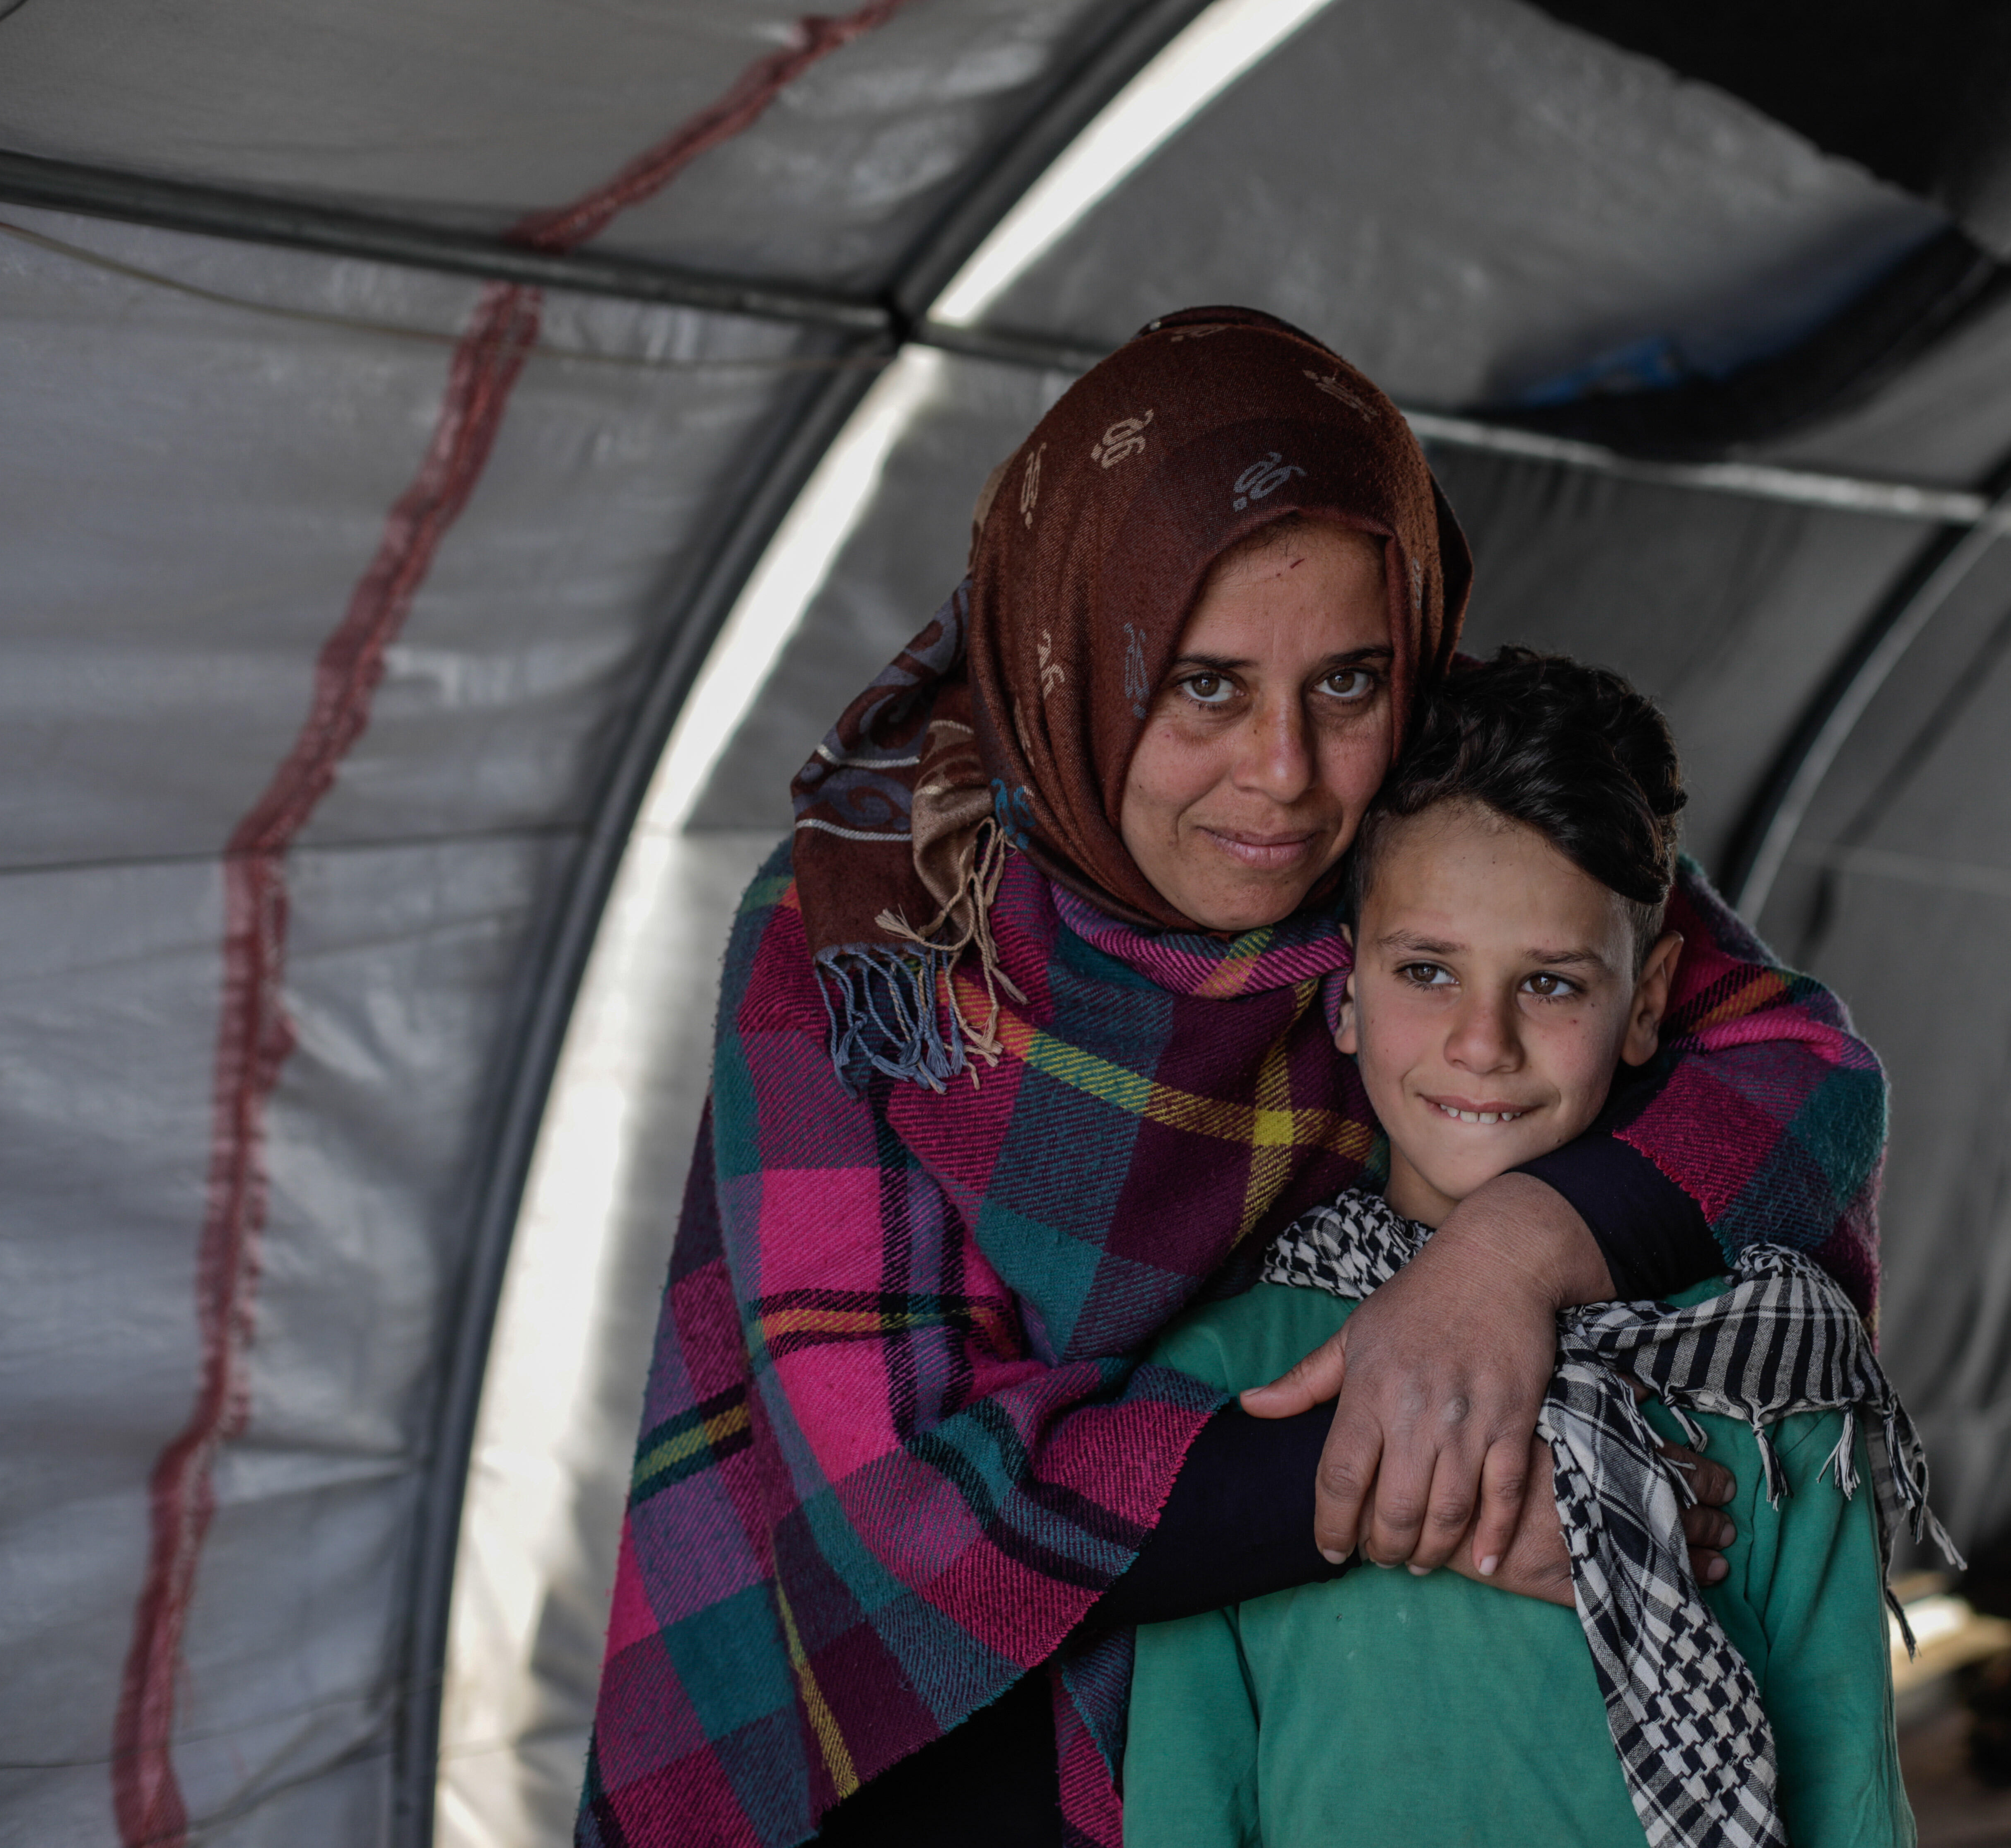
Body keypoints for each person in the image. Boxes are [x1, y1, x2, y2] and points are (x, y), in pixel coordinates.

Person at [575, 309, 1889, 1848]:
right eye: (1201, 684)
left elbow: (1799, 1074)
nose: (1281, 771)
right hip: (908, 1759)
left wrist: (1507, 1261)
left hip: (1261, 1719)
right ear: (1077, 650)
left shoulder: (1417, 831)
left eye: (1348, 680)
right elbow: (914, 1519)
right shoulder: (868, 942)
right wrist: (1430, 1476)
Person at [1126, 651, 1931, 1848]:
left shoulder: (1766, 1399)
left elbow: (1849, 1797)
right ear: (1342, 990)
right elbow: (1189, 1803)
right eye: (1427, 971)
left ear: (1649, 1000)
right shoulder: (1234, 1374)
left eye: (1551, 983)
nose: (1482, 1044)